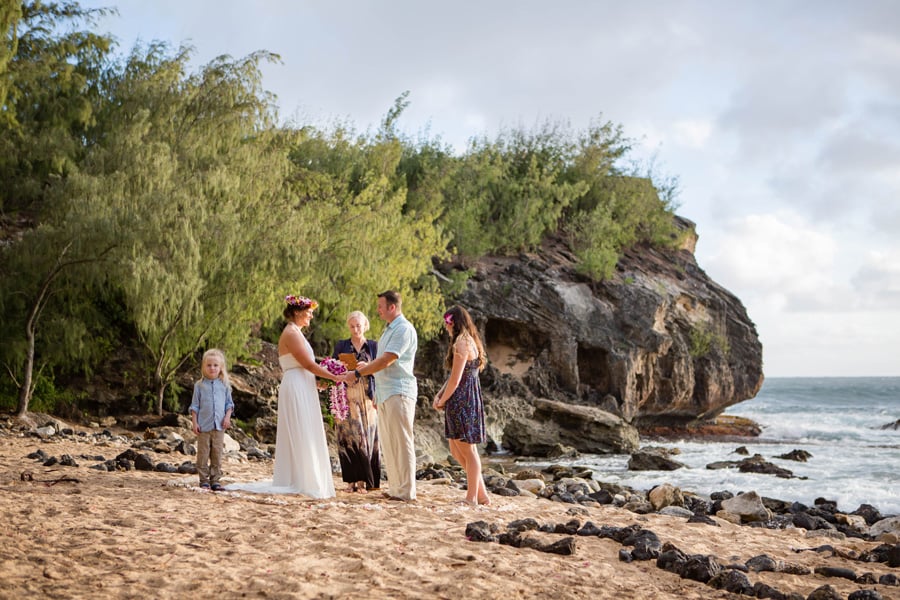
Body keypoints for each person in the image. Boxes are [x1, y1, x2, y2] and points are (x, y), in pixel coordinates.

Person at [227, 295, 337, 498]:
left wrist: (318, 381)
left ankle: (306, 477)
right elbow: (309, 365)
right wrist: (337, 376)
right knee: (300, 428)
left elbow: (308, 368)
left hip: (304, 384)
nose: (311, 316)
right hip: (295, 385)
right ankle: (302, 479)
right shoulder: (291, 333)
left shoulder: (298, 333)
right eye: (309, 312)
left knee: (307, 428)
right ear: (296, 312)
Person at [339, 290, 417, 502]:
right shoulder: (388, 330)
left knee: (402, 440)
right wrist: (370, 374)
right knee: (390, 443)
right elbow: (380, 362)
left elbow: (387, 360)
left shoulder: (403, 329)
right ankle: (395, 487)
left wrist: (358, 371)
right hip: (385, 392)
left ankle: (407, 491)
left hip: (399, 390)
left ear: (392, 307)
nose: (378, 310)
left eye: (381, 306)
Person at [432, 305, 489, 506]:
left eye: (447, 323)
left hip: (463, 401)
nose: (446, 327)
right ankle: (482, 495)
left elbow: (456, 380)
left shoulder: (462, 343)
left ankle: (472, 497)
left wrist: (443, 400)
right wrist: (440, 395)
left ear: (453, 322)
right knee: (457, 450)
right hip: (462, 399)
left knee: (468, 450)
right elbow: (454, 377)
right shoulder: (467, 340)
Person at [331, 311, 380, 493]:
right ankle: (351, 481)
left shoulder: (373, 346)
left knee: (367, 436)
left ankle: (365, 482)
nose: (355, 329)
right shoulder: (341, 345)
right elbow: (332, 368)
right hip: (347, 397)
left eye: (358, 325)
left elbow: (383, 370)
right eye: (352, 326)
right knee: (349, 437)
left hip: (368, 397)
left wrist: (367, 369)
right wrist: (342, 371)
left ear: (365, 325)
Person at [190, 348, 235, 492]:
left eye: (215, 365)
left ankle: (215, 480)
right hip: (204, 426)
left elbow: (229, 404)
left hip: (219, 426)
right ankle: (204, 480)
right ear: (204, 366)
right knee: (202, 454)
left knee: (217, 454)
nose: (212, 368)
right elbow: (195, 406)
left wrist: (227, 418)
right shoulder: (199, 386)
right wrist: (195, 423)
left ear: (220, 367)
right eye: (209, 365)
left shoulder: (225, 385)